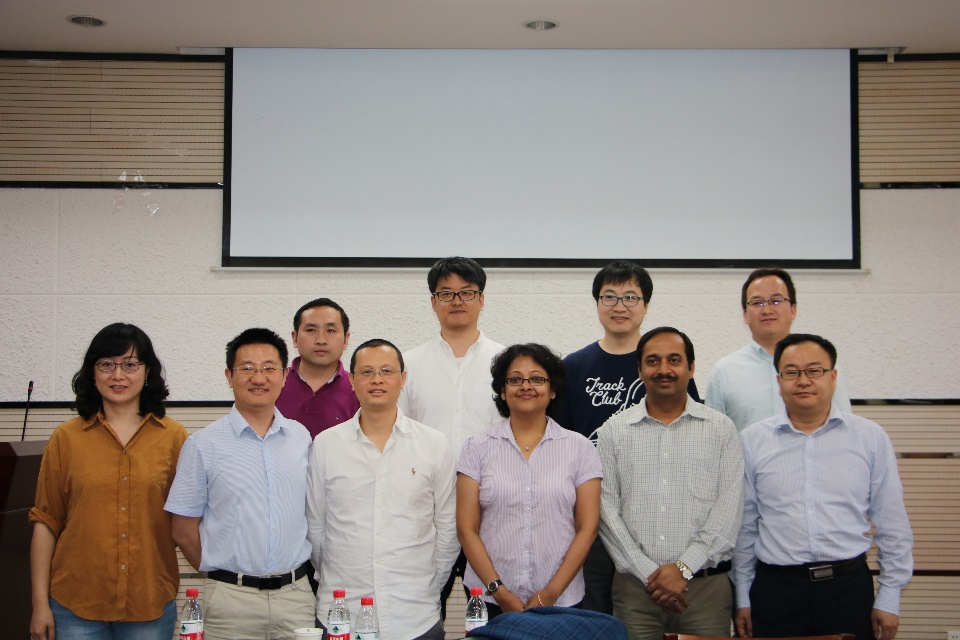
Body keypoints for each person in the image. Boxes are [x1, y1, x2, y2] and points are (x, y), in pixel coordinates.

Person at [733, 333, 913, 640]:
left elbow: (892, 523)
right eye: (792, 372)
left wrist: (889, 595)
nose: (803, 381)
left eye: (814, 370)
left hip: (847, 589)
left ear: (833, 377)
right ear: (779, 382)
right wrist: (743, 596)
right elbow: (745, 527)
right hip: (775, 591)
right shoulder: (752, 440)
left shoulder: (870, 438)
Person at [552, 260, 700, 614]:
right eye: (610, 296)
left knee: (652, 616)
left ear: (646, 305)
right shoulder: (574, 366)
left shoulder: (665, 366)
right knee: (595, 617)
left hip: (654, 515)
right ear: (597, 303)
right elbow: (558, 444)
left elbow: (691, 437)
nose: (620, 306)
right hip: (590, 517)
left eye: (630, 297)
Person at [29, 323, 188, 640]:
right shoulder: (66, 438)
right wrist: (39, 604)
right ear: (92, 372)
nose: (118, 375)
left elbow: (186, 520)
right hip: (74, 603)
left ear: (147, 371)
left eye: (130, 365)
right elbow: (46, 521)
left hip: (148, 601)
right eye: (106, 365)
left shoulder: (174, 437)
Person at [166, 328, 315, 640]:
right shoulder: (203, 444)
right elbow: (183, 529)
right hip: (230, 603)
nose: (258, 378)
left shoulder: (301, 438)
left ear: (285, 376)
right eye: (247, 368)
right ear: (229, 376)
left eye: (269, 368)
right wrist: (222, 577)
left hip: (296, 598)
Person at [598, 327, 744, 640]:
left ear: (691, 367)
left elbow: (729, 509)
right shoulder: (614, 430)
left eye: (674, 360)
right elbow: (605, 509)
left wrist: (683, 568)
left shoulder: (721, 429)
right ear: (639, 370)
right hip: (636, 591)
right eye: (652, 361)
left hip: (705, 590)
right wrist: (650, 574)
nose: (663, 369)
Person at [307, 338, 458, 640]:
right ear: (352, 381)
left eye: (387, 371)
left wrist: (429, 585)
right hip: (342, 614)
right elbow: (316, 529)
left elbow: (447, 527)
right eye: (367, 372)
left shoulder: (433, 444)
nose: (377, 379)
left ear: (403, 379)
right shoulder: (325, 444)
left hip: (415, 615)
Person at [457, 343, 602, 618]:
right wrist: (498, 591)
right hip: (489, 600)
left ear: (553, 389)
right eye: (514, 380)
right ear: (502, 391)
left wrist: (549, 594)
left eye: (537, 379)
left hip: (562, 600)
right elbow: (467, 529)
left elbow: (588, 528)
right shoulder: (476, 448)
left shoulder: (580, 448)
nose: (526, 386)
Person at [398, 256, 504, 618]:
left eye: (466, 292)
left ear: (482, 299)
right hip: (426, 512)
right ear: (433, 301)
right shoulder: (408, 365)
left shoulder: (506, 362)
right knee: (422, 611)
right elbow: (398, 435)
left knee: (492, 614)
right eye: (446, 293)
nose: (457, 300)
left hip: (492, 511)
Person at [706, 268, 851, 431]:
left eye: (776, 301)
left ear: (793, 310)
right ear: (745, 315)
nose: (767, 310)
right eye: (757, 303)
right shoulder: (724, 371)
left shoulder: (822, 366)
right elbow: (713, 435)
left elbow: (845, 425)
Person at [277, 297, 360, 438]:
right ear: (295, 338)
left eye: (331, 330)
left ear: (346, 340)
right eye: (311, 330)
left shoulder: (358, 389)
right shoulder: (273, 384)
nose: (321, 340)